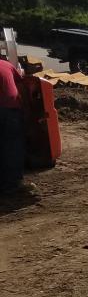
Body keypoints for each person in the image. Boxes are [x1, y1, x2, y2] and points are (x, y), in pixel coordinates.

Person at [0, 56, 25, 194]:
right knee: (12, 146)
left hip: (7, 109)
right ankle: (11, 183)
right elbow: (22, 82)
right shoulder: (7, 65)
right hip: (10, 110)